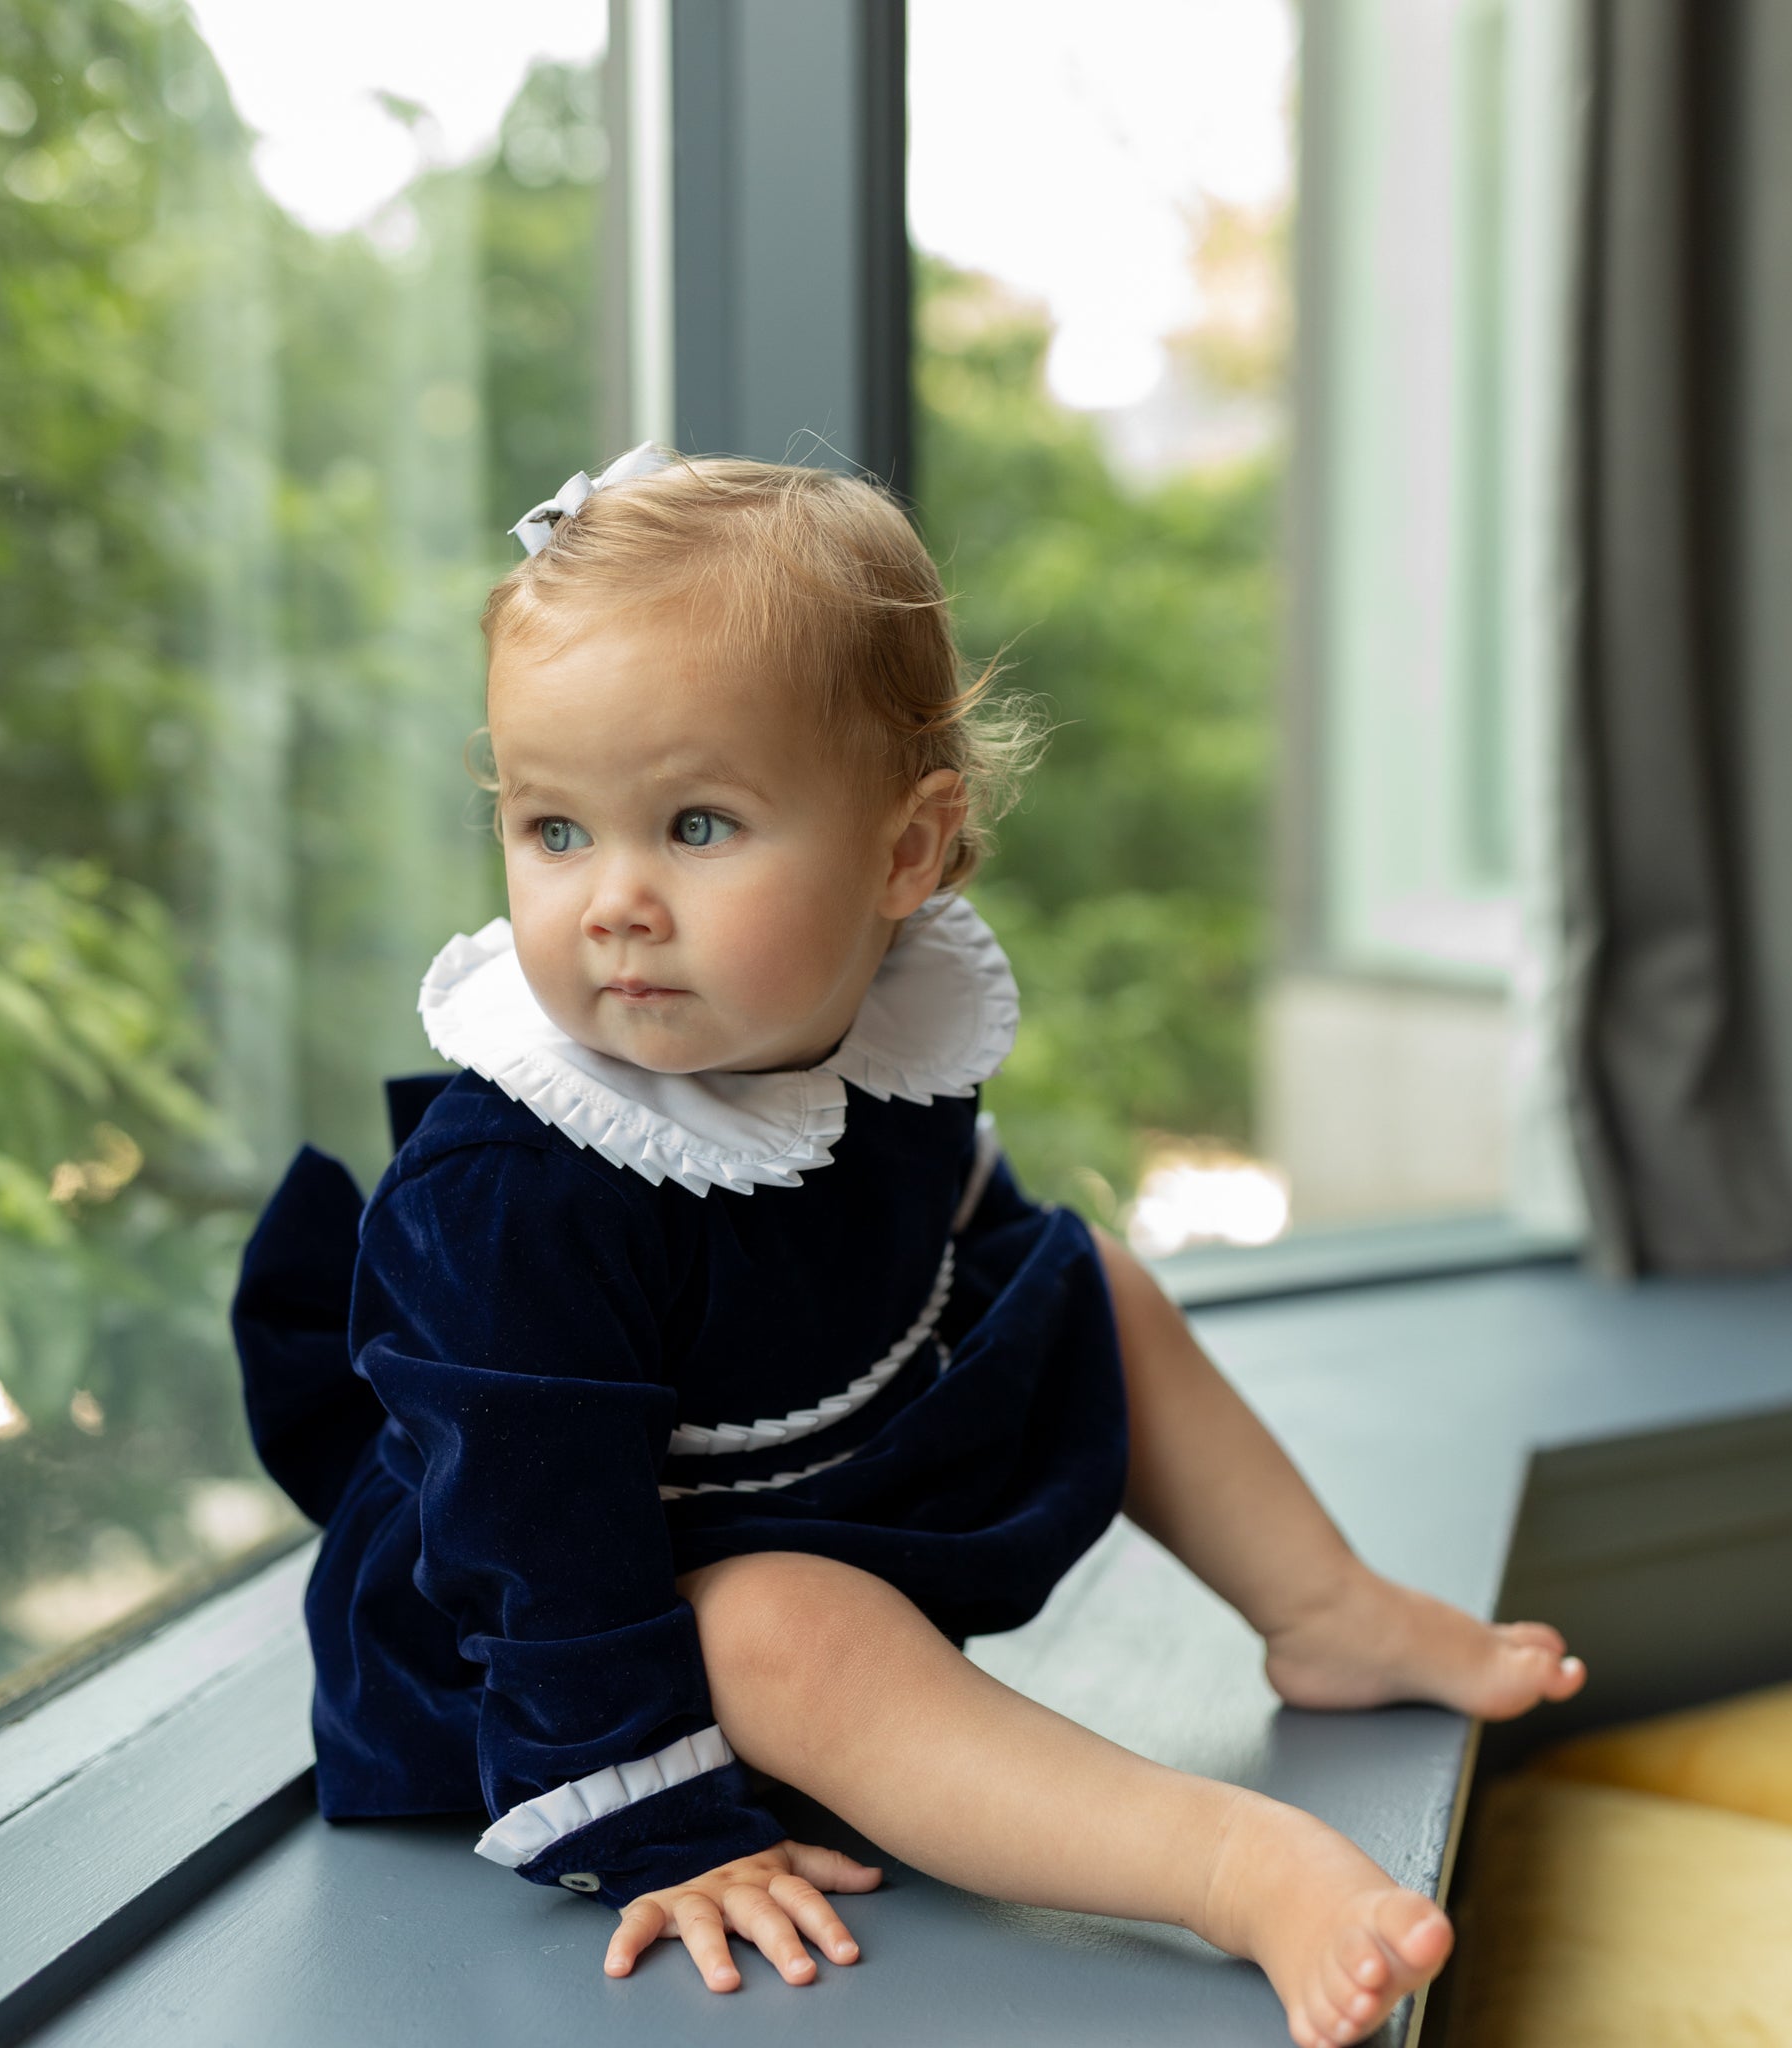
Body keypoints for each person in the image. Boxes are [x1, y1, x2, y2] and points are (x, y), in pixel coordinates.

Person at [232, 446, 1585, 2048]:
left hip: (816, 1484)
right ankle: (1225, 1864)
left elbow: (952, 1245)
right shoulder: (520, 1188)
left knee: (1094, 1280)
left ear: (903, 856)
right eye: (554, 831)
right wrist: (664, 1828)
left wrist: (1036, 1372)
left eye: (700, 823)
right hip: (559, 1635)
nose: (616, 903)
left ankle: (1329, 1607)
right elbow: (531, 1544)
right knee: (784, 1628)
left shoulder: (874, 1023)